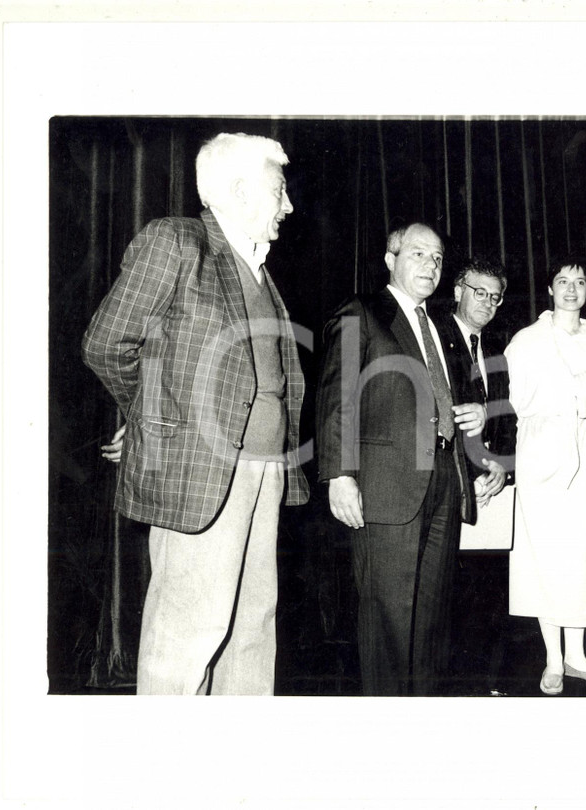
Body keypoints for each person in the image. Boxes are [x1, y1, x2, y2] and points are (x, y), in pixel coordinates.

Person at [81, 132, 309, 695]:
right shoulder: (179, 243)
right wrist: (152, 415)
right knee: (188, 632)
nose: (289, 206)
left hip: (264, 470)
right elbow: (107, 343)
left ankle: (233, 770)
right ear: (239, 191)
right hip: (203, 468)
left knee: (251, 628)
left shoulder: (258, 267)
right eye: (279, 191)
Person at [315, 222, 486, 696]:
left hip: (444, 485)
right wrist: (339, 475)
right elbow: (337, 398)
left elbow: (454, 396)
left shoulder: (443, 327)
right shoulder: (363, 312)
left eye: (436, 258)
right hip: (386, 487)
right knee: (388, 619)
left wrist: (477, 425)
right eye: (417, 254)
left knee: (431, 621)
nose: (430, 265)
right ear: (390, 259)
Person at [504, 257, 586, 696]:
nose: (571, 288)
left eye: (579, 281)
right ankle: (553, 659)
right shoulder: (527, 341)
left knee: (583, 552)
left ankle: (577, 656)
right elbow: (518, 401)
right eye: (562, 281)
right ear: (550, 290)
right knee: (547, 554)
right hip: (542, 451)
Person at [437, 256, 515, 504]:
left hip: (491, 485)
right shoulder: (434, 338)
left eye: (495, 297)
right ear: (459, 292)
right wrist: (471, 474)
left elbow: (506, 416)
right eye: (480, 293)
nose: (488, 303)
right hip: (450, 482)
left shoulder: (497, 352)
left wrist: (502, 465)